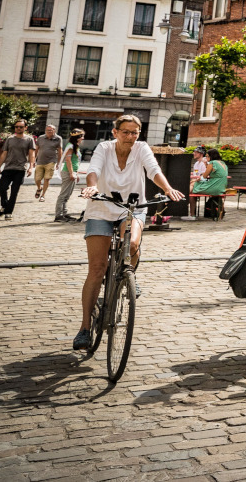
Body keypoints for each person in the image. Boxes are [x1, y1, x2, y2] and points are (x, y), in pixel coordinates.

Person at [74, 114, 184, 350]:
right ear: (115, 132)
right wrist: (92, 186)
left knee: (132, 244)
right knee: (96, 268)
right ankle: (84, 328)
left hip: (131, 209)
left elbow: (153, 170)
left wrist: (168, 188)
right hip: (100, 209)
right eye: (125, 132)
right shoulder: (104, 148)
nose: (130, 136)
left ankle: (128, 274)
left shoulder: (141, 148)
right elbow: (93, 170)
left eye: (134, 132)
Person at [0, 119, 36, 219]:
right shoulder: (10, 139)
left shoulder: (29, 139)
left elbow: (32, 154)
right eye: (16, 127)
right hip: (8, 167)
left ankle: (8, 212)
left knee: (14, 191)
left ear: (25, 128)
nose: (18, 128)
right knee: (2, 187)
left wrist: (31, 167)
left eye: (21, 127)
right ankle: (5, 205)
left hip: (20, 169)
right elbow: (4, 153)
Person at [53, 129, 86, 222]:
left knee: (67, 195)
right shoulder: (71, 146)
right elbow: (68, 160)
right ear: (78, 137)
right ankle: (58, 215)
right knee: (63, 195)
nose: (83, 138)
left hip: (72, 172)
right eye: (82, 136)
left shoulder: (75, 146)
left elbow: (75, 161)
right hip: (68, 173)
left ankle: (64, 213)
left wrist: (76, 173)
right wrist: (71, 173)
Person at [195, 147, 229, 221]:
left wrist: (198, 179)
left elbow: (204, 177)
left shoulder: (212, 163)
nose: (206, 158)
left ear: (211, 156)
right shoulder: (223, 163)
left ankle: (192, 213)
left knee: (193, 186)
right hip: (222, 187)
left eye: (207, 156)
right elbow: (214, 172)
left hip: (214, 186)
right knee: (194, 184)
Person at [33, 122, 62, 200]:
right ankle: (39, 188)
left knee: (47, 178)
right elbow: (36, 149)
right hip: (40, 161)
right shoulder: (41, 138)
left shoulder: (58, 138)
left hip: (51, 161)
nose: (49, 132)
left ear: (54, 131)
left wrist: (59, 163)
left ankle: (43, 195)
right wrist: (33, 160)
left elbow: (60, 151)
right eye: (47, 130)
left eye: (50, 130)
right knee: (37, 179)